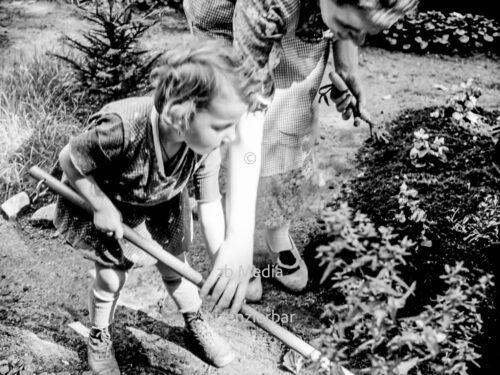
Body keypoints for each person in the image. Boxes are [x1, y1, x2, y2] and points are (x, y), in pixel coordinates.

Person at [184, 0, 419, 303]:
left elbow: (344, 20)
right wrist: (240, 240)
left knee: (289, 120)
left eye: (365, 33)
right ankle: (232, 240)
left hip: (301, 15)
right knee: (227, 120)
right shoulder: (269, 5)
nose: (359, 40)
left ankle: (276, 232)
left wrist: (347, 69)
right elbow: (248, 112)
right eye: (351, 28)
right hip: (222, 15)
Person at [53, 38, 252, 373]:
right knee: (111, 278)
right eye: (222, 126)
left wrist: (224, 267)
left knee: (177, 268)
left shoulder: (205, 145)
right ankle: (100, 333)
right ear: (180, 114)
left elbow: (210, 203)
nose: (232, 136)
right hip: (114, 203)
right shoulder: (120, 127)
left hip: (163, 204)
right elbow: (69, 160)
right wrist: (100, 206)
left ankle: (195, 320)